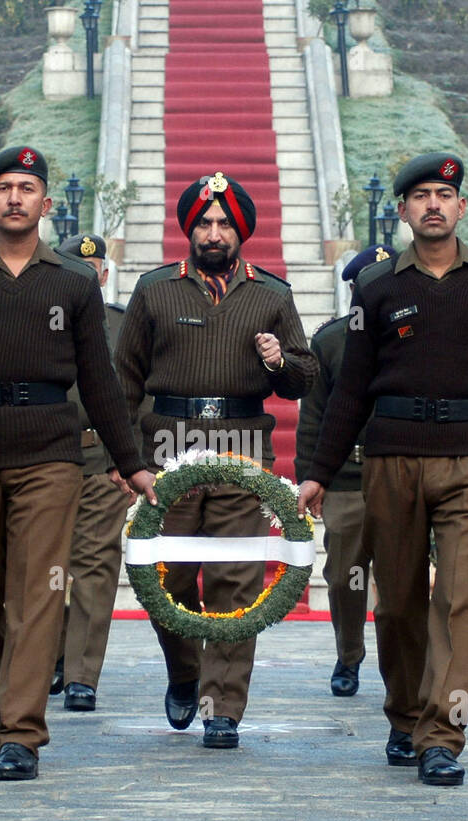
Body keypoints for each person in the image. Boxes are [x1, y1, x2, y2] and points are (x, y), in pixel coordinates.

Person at [0, 145, 156, 781]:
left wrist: (130, 463)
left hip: (50, 455)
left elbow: (100, 382)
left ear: (45, 204)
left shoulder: (71, 283)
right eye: (4, 187)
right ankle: (5, 698)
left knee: (38, 590)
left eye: (27, 187)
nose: (16, 197)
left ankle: (22, 729)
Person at [298, 152, 468, 787]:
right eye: (419, 195)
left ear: (461, 207)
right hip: (391, 459)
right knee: (396, 601)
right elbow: (351, 391)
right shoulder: (377, 288)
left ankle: (441, 737)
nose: (432, 205)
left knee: (455, 601)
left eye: (443, 195)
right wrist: (319, 471)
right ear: (402, 211)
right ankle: (403, 716)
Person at [113, 171, 316, 749]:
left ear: (242, 232)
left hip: (243, 453)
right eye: (204, 222)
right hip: (167, 456)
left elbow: (307, 377)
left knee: (235, 581)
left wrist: (280, 361)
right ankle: (185, 672)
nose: (213, 232)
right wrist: (124, 457)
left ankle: (222, 707)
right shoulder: (154, 291)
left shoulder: (272, 295)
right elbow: (124, 380)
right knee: (166, 579)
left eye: (225, 223)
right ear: (189, 229)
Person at [293, 246, 389, 703]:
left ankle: (400, 663)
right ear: (353, 290)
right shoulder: (331, 341)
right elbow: (312, 415)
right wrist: (312, 476)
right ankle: (349, 655)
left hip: (398, 473)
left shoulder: (412, 332)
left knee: (398, 577)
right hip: (349, 476)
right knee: (345, 574)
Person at [52, 232, 132, 713]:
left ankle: (82, 674)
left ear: (102, 274)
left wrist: (132, 461)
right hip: (45, 460)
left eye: (94, 270)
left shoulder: (122, 326)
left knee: (95, 567)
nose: (87, 276)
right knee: (44, 567)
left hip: (102, 463)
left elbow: (140, 394)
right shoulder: (39, 317)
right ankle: (52, 658)